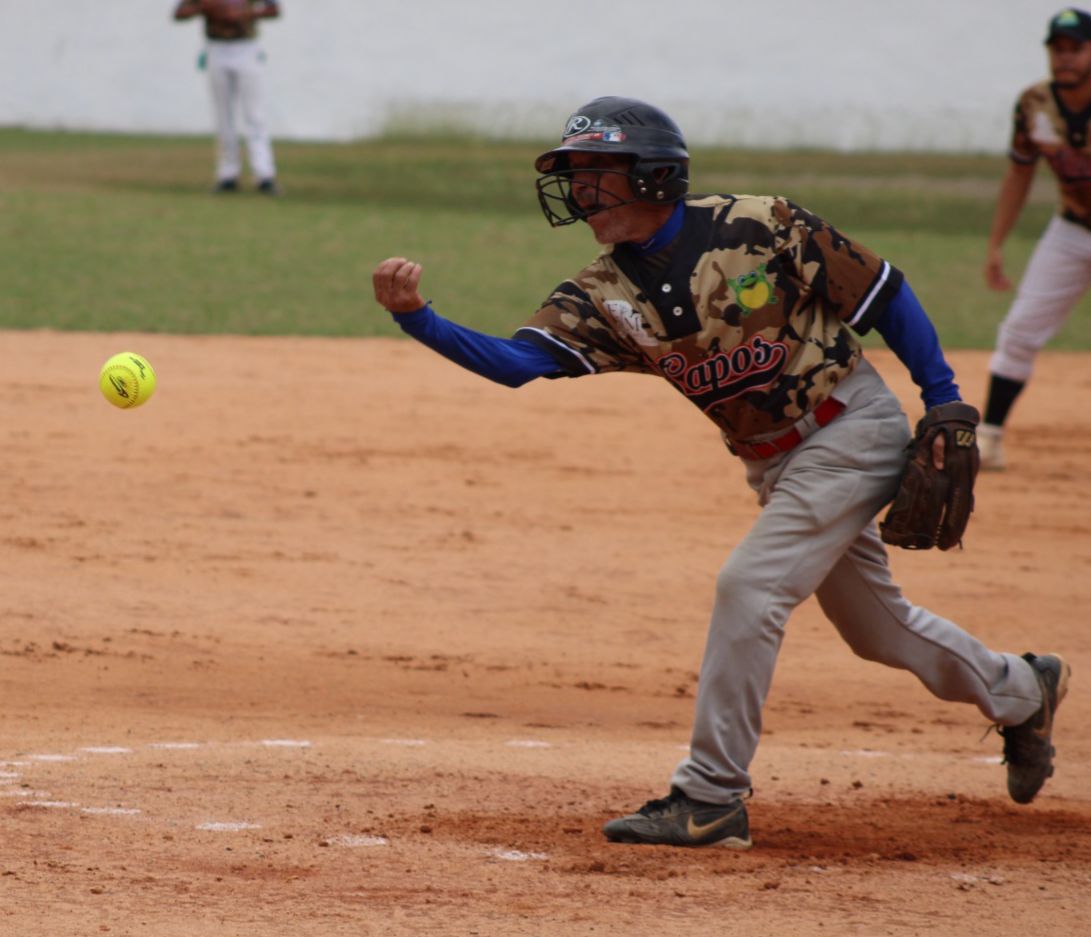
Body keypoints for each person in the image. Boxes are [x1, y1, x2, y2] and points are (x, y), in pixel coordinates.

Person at [372, 97, 1070, 849]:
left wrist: (943, 399)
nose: (579, 190)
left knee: (749, 586)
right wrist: (419, 318)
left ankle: (709, 797)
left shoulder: (759, 224)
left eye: (596, 173)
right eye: (573, 176)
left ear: (653, 175)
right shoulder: (601, 294)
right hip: (772, 465)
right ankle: (1022, 688)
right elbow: (518, 364)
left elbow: (883, 294)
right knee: (878, 629)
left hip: (851, 429)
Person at [980, 7, 1091, 470]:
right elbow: (1018, 175)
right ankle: (989, 437)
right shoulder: (1033, 104)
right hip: (1070, 227)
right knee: (1021, 329)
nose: (1064, 58)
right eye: (1057, 49)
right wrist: (996, 244)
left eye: (1076, 49)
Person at [172, 0, 281, 195]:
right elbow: (179, 13)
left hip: (246, 47)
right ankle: (227, 173)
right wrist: (206, 8)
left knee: (254, 114)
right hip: (216, 46)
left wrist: (245, 14)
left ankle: (264, 174)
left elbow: (274, 9)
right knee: (223, 114)